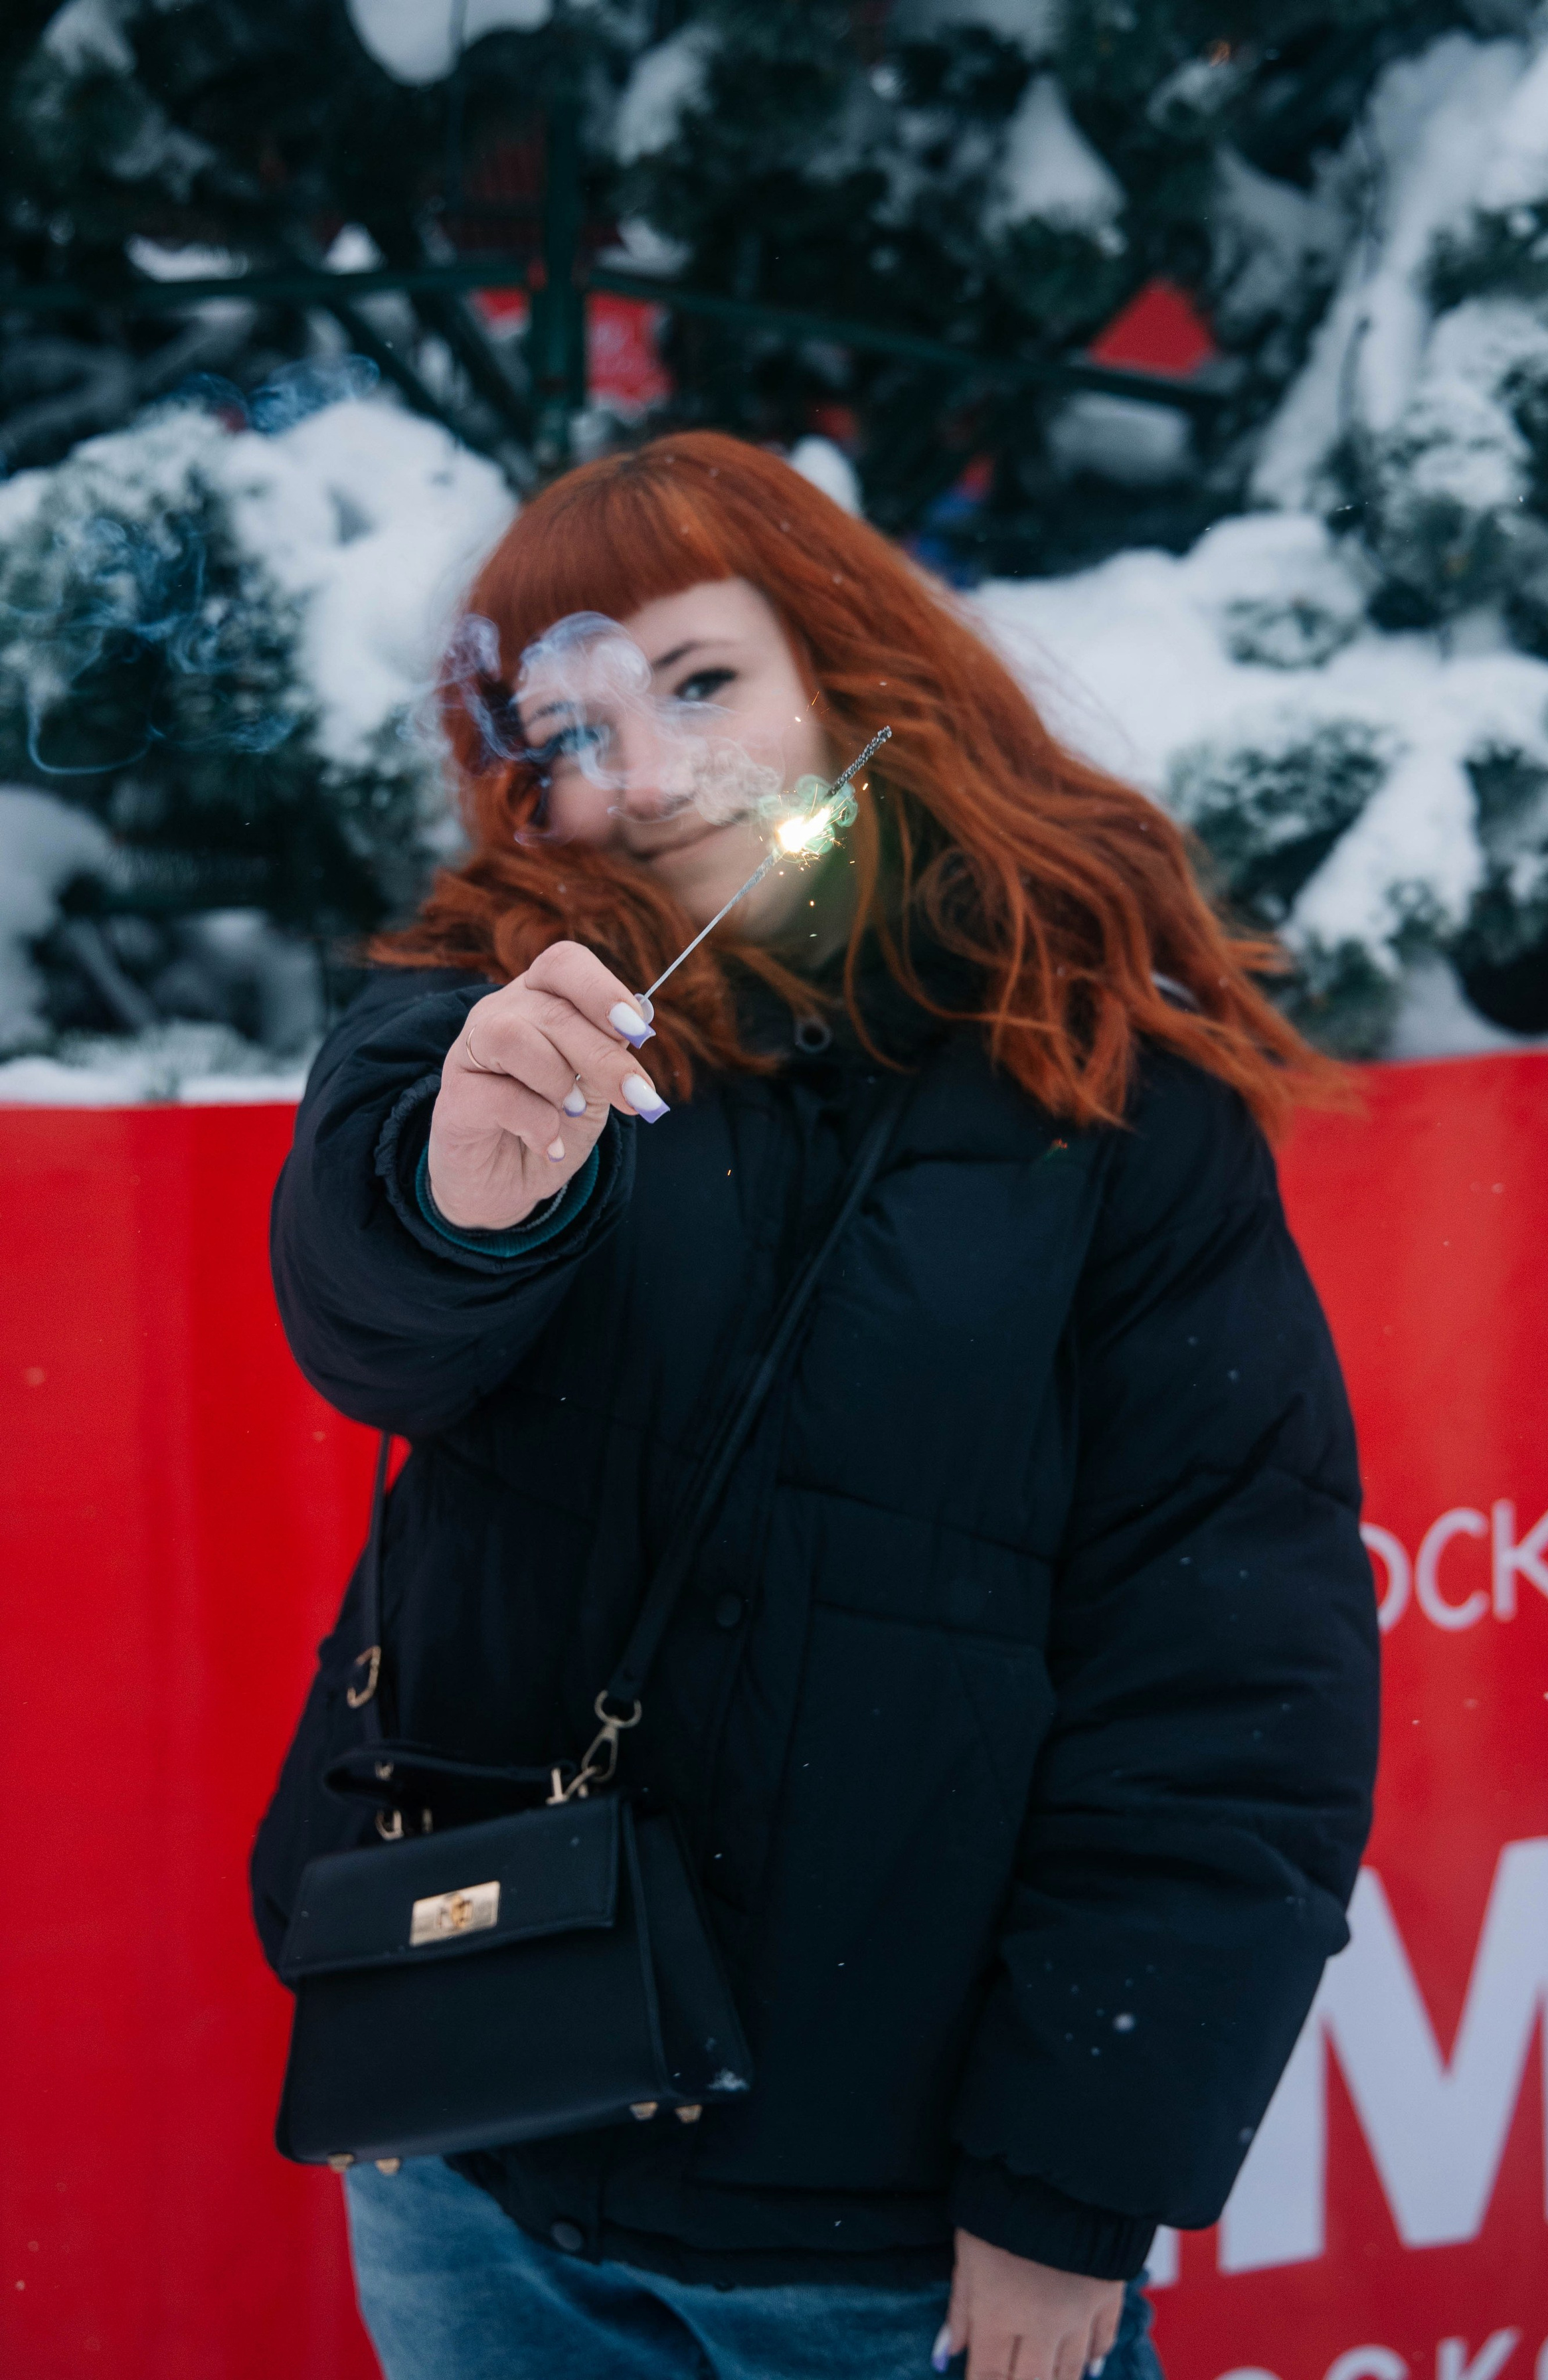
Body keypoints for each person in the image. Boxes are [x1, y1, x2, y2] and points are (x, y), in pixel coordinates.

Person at [256, 430, 1379, 2380]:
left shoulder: (1112, 1099)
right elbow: (377, 1311)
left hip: (890, 2243)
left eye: (701, 682)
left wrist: (1071, 2178)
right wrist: (465, 1197)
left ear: (849, 671)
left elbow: (1226, 1680)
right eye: (578, 725)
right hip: (474, 2170)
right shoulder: (488, 1013)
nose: (658, 767)